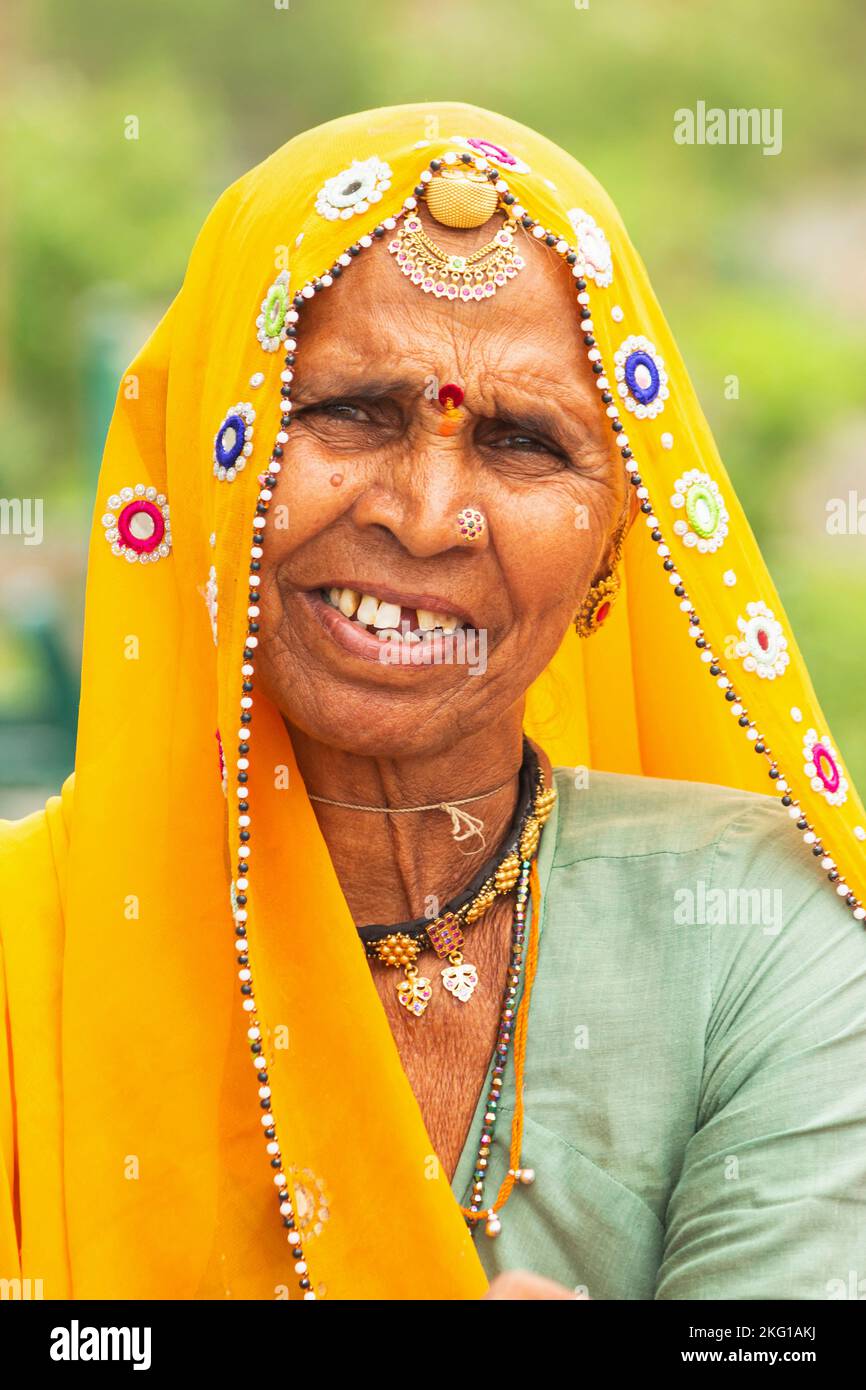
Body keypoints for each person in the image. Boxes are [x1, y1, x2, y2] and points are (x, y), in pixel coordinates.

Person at [1, 101, 865, 1302]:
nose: (421, 513)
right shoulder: (21, 957)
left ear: (614, 539)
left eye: (519, 441)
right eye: (348, 411)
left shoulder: (761, 941)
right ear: (206, 458)